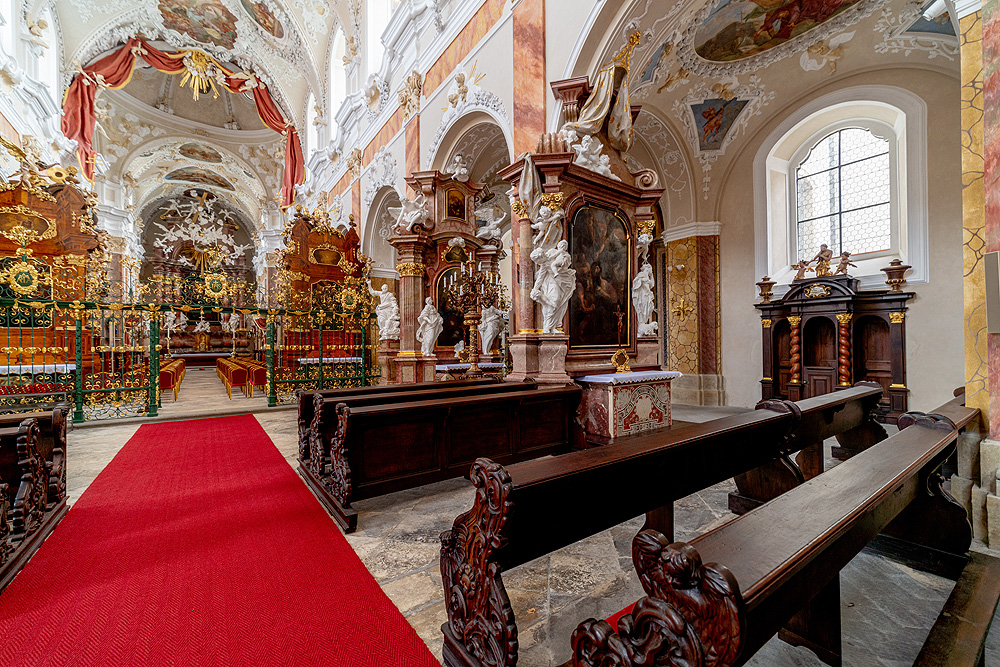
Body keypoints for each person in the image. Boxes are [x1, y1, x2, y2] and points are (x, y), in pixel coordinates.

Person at [530, 240, 576, 333]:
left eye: (538, 261)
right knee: (554, 303)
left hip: (563, 279)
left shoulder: (552, 252)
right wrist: (535, 289)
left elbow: (564, 259)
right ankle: (548, 327)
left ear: (541, 256)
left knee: (560, 303)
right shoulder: (544, 265)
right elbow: (540, 278)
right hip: (553, 283)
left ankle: (553, 327)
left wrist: (561, 264)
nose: (539, 263)